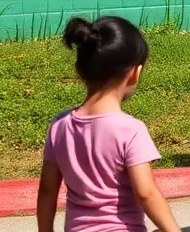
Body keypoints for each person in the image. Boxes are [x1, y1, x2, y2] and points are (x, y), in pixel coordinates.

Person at [37, 16, 181, 232]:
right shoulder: (130, 130)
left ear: (79, 72)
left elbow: (48, 190)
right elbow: (146, 193)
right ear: (135, 73)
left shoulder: (59, 125)